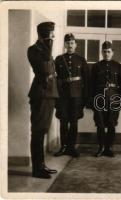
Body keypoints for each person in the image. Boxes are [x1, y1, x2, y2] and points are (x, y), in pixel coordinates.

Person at [27, 21, 58, 179]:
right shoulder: (34, 50)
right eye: (51, 33)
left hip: (49, 94)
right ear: (44, 34)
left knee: (42, 131)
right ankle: (36, 169)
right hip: (40, 94)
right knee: (38, 132)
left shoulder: (44, 49)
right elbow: (45, 70)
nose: (53, 35)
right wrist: (48, 44)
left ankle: (41, 165)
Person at [53, 33, 89, 158]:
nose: (70, 45)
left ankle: (71, 147)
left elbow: (86, 80)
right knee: (63, 122)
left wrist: (84, 98)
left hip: (76, 96)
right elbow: (55, 79)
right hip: (63, 96)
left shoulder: (81, 59)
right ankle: (63, 147)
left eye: (72, 43)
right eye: (68, 43)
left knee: (73, 122)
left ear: (76, 45)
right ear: (65, 44)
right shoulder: (59, 59)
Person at [89, 41, 121, 157]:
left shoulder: (118, 66)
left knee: (111, 124)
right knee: (99, 125)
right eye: (104, 52)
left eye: (108, 51)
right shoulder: (96, 66)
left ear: (112, 52)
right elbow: (92, 85)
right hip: (99, 99)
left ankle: (109, 148)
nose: (106, 54)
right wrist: (91, 101)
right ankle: (101, 147)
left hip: (114, 99)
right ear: (101, 52)